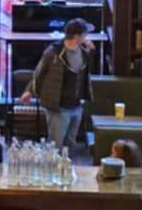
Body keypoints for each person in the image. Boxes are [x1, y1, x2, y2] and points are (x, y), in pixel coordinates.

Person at [19, 19, 92, 151]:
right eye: (84, 34)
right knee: (55, 145)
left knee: (70, 144)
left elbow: (83, 75)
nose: (86, 37)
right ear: (76, 36)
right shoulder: (53, 52)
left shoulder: (84, 52)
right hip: (58, 106)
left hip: (76, 105)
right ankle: (50, 170)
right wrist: (29, 91)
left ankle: (66, 170)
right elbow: (39, 72)